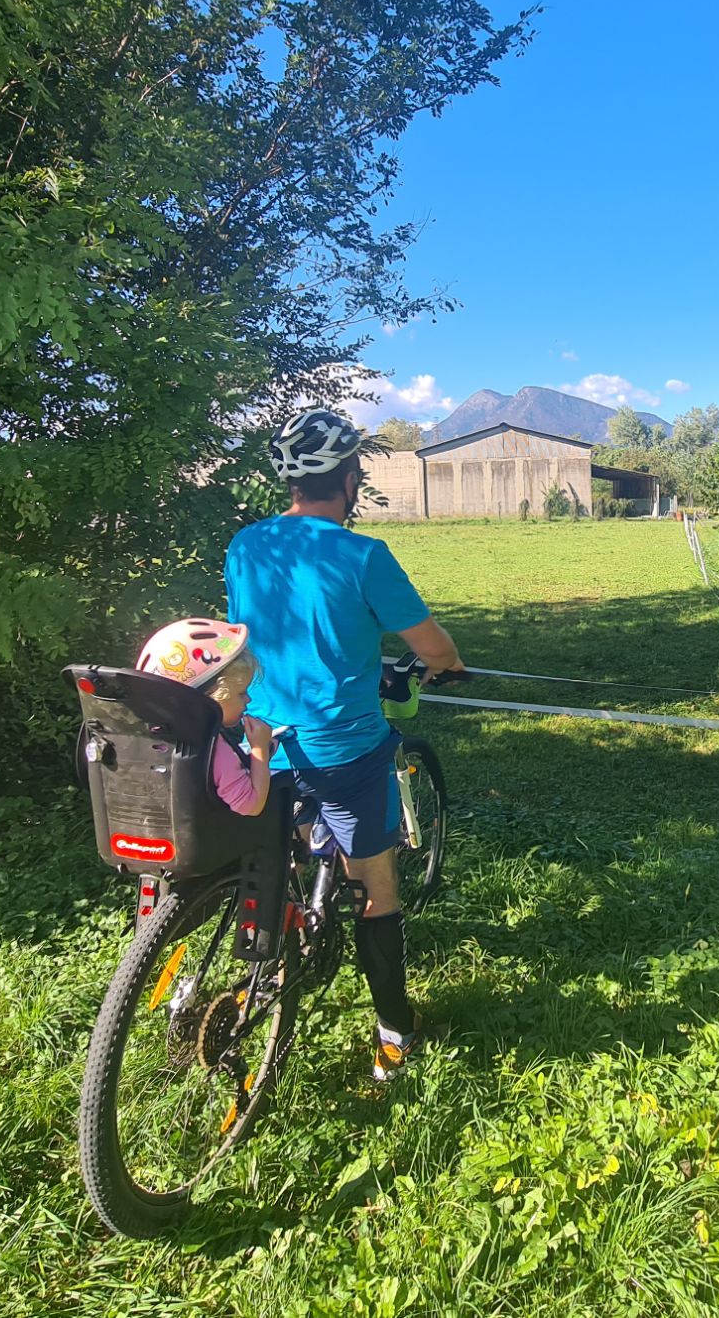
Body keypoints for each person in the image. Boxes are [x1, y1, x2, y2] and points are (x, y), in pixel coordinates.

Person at [225, 408, 465, 1082]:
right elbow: (431, 645)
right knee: (377, 891)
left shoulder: (247, 546)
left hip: (262, 739)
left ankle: (286, 930)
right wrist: (448, 665)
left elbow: (263, 631)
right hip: (344, 747)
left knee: (279, 855)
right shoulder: (363, 554)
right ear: (351, 478)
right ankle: (395, 1033)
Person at [134, 618, 274, 818]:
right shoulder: (212, 749)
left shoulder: (141, 735)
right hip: (202, 844)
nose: (248, 699)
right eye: (241, 693)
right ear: (210, 699)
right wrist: (260, 749)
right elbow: (250, 805)